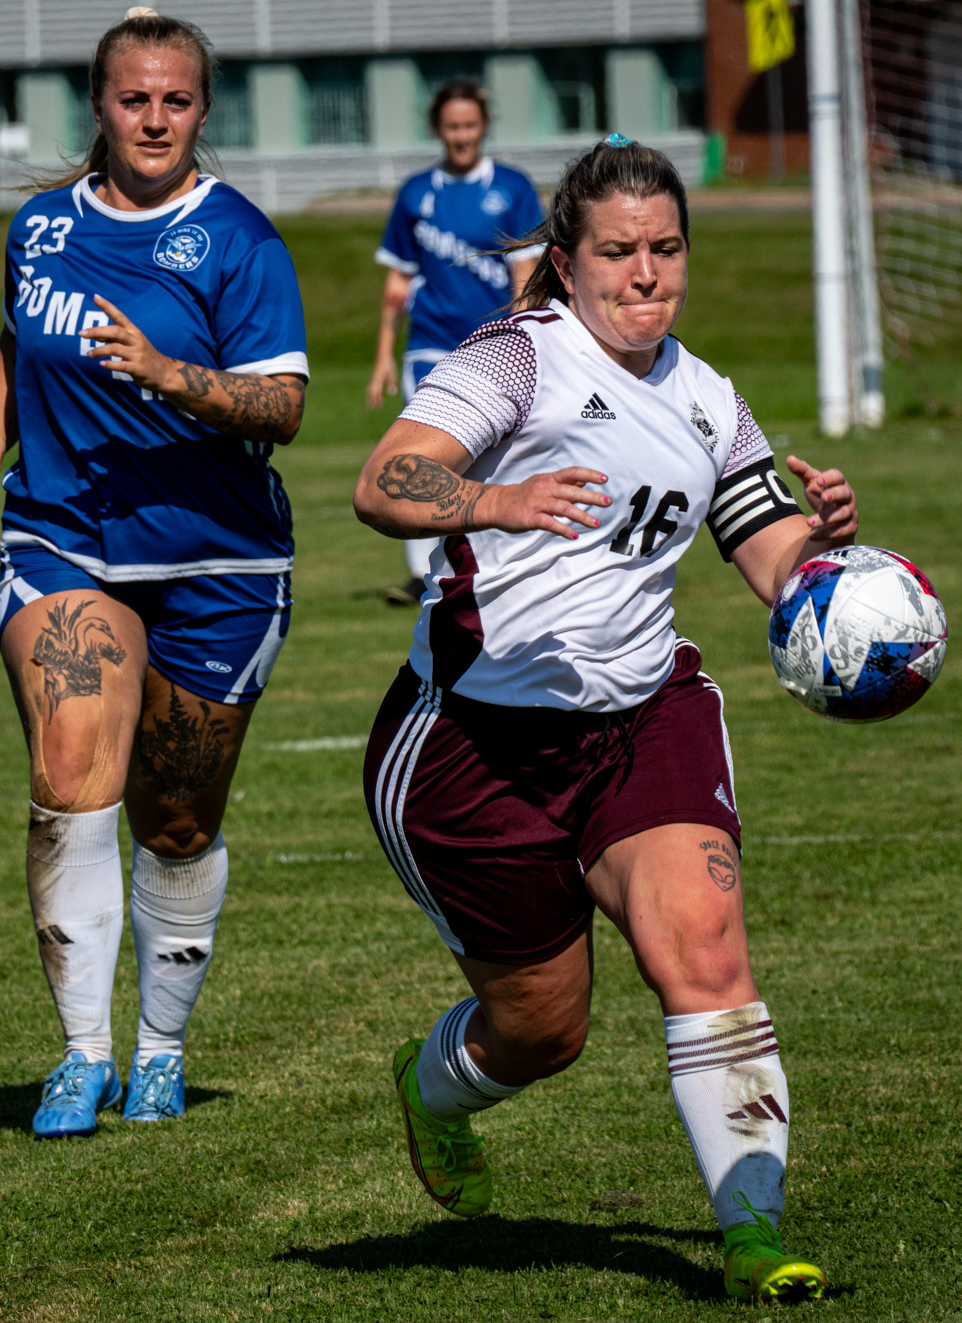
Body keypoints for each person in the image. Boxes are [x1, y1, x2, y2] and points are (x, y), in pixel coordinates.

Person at [353, 136, 854, 1304]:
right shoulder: (516, 357)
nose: (644, 274)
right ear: (567, 262)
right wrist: (496, 499)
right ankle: (431, 1089)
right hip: (473, 745)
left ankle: (750, 1234)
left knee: (705, 953)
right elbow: (384, 480)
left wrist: (823, 543)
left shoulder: (706, 399)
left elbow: (770, 558)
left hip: (639, 720)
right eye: (618, 251)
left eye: (664, 249)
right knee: (541, 1031)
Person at [0, 9, 309, 1137]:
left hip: (218, 558)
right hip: (64, 540)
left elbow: (281, 405)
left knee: (177, 820)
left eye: (175, 101)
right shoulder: (42, 226)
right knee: (69, 773)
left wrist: (168, 372)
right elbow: (20, 336)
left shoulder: (238, 240)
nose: (154, 120)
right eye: (133, 99)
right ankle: (80, 1055)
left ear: (202, 111)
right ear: (98, 105)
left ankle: (160, 1050)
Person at [366, 81, 545, 606]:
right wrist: (383, 354)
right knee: (421, 456)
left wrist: (525, 335)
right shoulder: (416, 193)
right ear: (437, 130)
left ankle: (495, 567)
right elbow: (398, 282)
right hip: (429, 344)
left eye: (469, 125)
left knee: (496, 456)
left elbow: (524, 271)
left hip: (492, 348)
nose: (461, 136)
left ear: (483, 126)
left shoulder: (512, 188)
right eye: (451, 127)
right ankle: (424, 575)